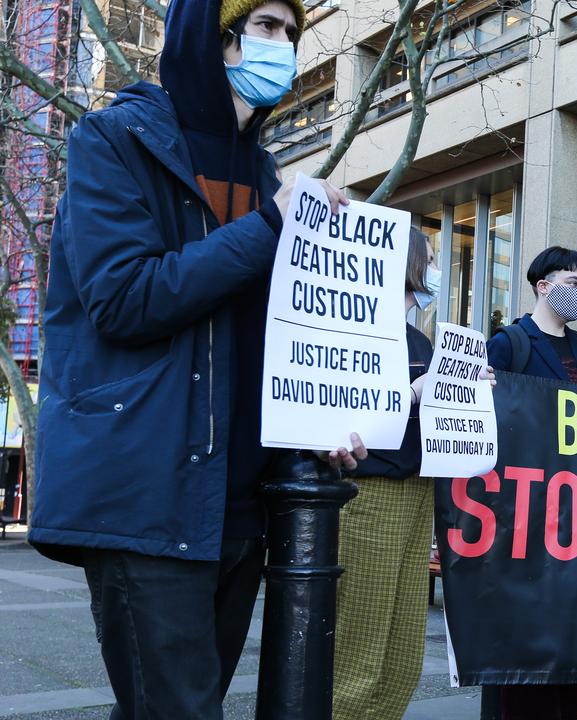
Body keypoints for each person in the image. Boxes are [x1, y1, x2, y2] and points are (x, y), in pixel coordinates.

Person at [29, 0, 364, 716]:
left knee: (174, 703)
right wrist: (272, 224)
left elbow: (270, 342)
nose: (286, 47)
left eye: (292, 32)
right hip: (145, 491)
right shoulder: (114, 140)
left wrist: (323, 420)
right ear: (211, 38)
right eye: (268, 27)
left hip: (238, 505)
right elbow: (125, 299)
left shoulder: (268, 173)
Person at [332, 229, 486, 719]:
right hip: (372, 492)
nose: (437, 269)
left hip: (419, 490)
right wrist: (415, 393)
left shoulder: (420, 337)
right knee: (363, 639)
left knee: (401, 647)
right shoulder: (357, 331)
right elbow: (345, 416)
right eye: (432, 259)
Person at [485, 245, 577, 720]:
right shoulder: (510, 343)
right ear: (543, 286)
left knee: (573, 625)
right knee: (530, 631)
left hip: (572, 511)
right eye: (572, 281)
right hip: (524, 513)